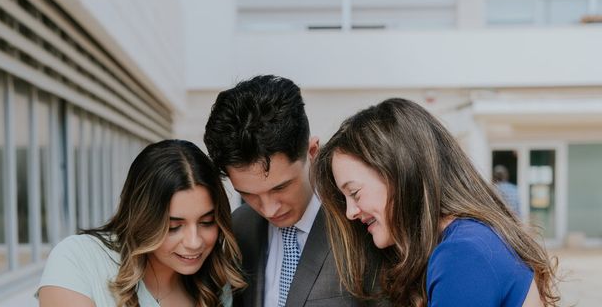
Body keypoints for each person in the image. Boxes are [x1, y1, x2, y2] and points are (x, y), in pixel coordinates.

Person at [312, 98, 560, 307]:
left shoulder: (463, 254)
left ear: (400, 172)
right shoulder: (473, 239)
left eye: (354, 193)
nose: (350, 212)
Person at [204, 75, 367, 307]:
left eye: (281, 187)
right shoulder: (238, 228)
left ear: (313, 152)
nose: (269, 209)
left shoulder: (362, 224)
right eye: (248, 194)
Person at [37, 139, 246, 307]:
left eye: (207, 222)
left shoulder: (216, 284)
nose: (194, 242)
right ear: (143, 218)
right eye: (173, 227)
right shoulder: (79, 258)